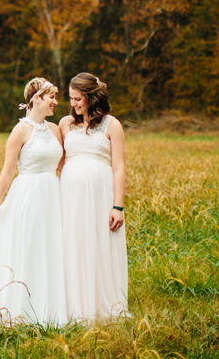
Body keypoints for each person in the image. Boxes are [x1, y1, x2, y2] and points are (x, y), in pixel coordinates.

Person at [0, 77, 67, 326]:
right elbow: (7, 171)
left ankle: (51, 306)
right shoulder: (20, 130)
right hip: (28, 193)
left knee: (52, 247)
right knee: (30, 246)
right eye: (51, 97)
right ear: (37, 99)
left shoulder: (55, 129)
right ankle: (22, 307)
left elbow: (62, 165)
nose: (56, 102)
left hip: (52, 193)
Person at [59, 72, 128, 322]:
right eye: (71, 99)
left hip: (101, 194)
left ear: (91, 97)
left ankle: (102, 305)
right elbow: (57, 161)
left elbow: (118, 167)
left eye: (78, 98)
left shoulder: (112, 125)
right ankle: (74, 305)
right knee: (73, 244)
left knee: (99, 243)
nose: (74, 104)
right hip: (70, 195)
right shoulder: (65, 124)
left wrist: (117, 206)